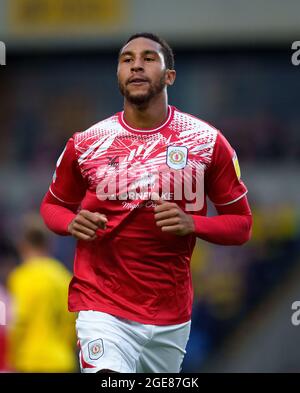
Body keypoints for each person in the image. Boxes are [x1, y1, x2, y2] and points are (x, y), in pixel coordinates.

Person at [40, 32, 252, 373]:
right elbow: (52, 206)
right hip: (101, 306)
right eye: (127, 60)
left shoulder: (207, 142)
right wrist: (69, 222)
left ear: (169, 76)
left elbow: (242, 224)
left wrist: (192, 223)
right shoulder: (86, 144)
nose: (136, 65)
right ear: (119, 76)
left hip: (171, 316)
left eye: (148, 58)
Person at [7, 213, 77, 372]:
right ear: (49, 244)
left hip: (31, 361)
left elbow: (19, 320)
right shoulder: (64, 277)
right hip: (62, 361)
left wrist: (11, 358)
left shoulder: (22, 277)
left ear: (22, 245)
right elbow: (71, 322)